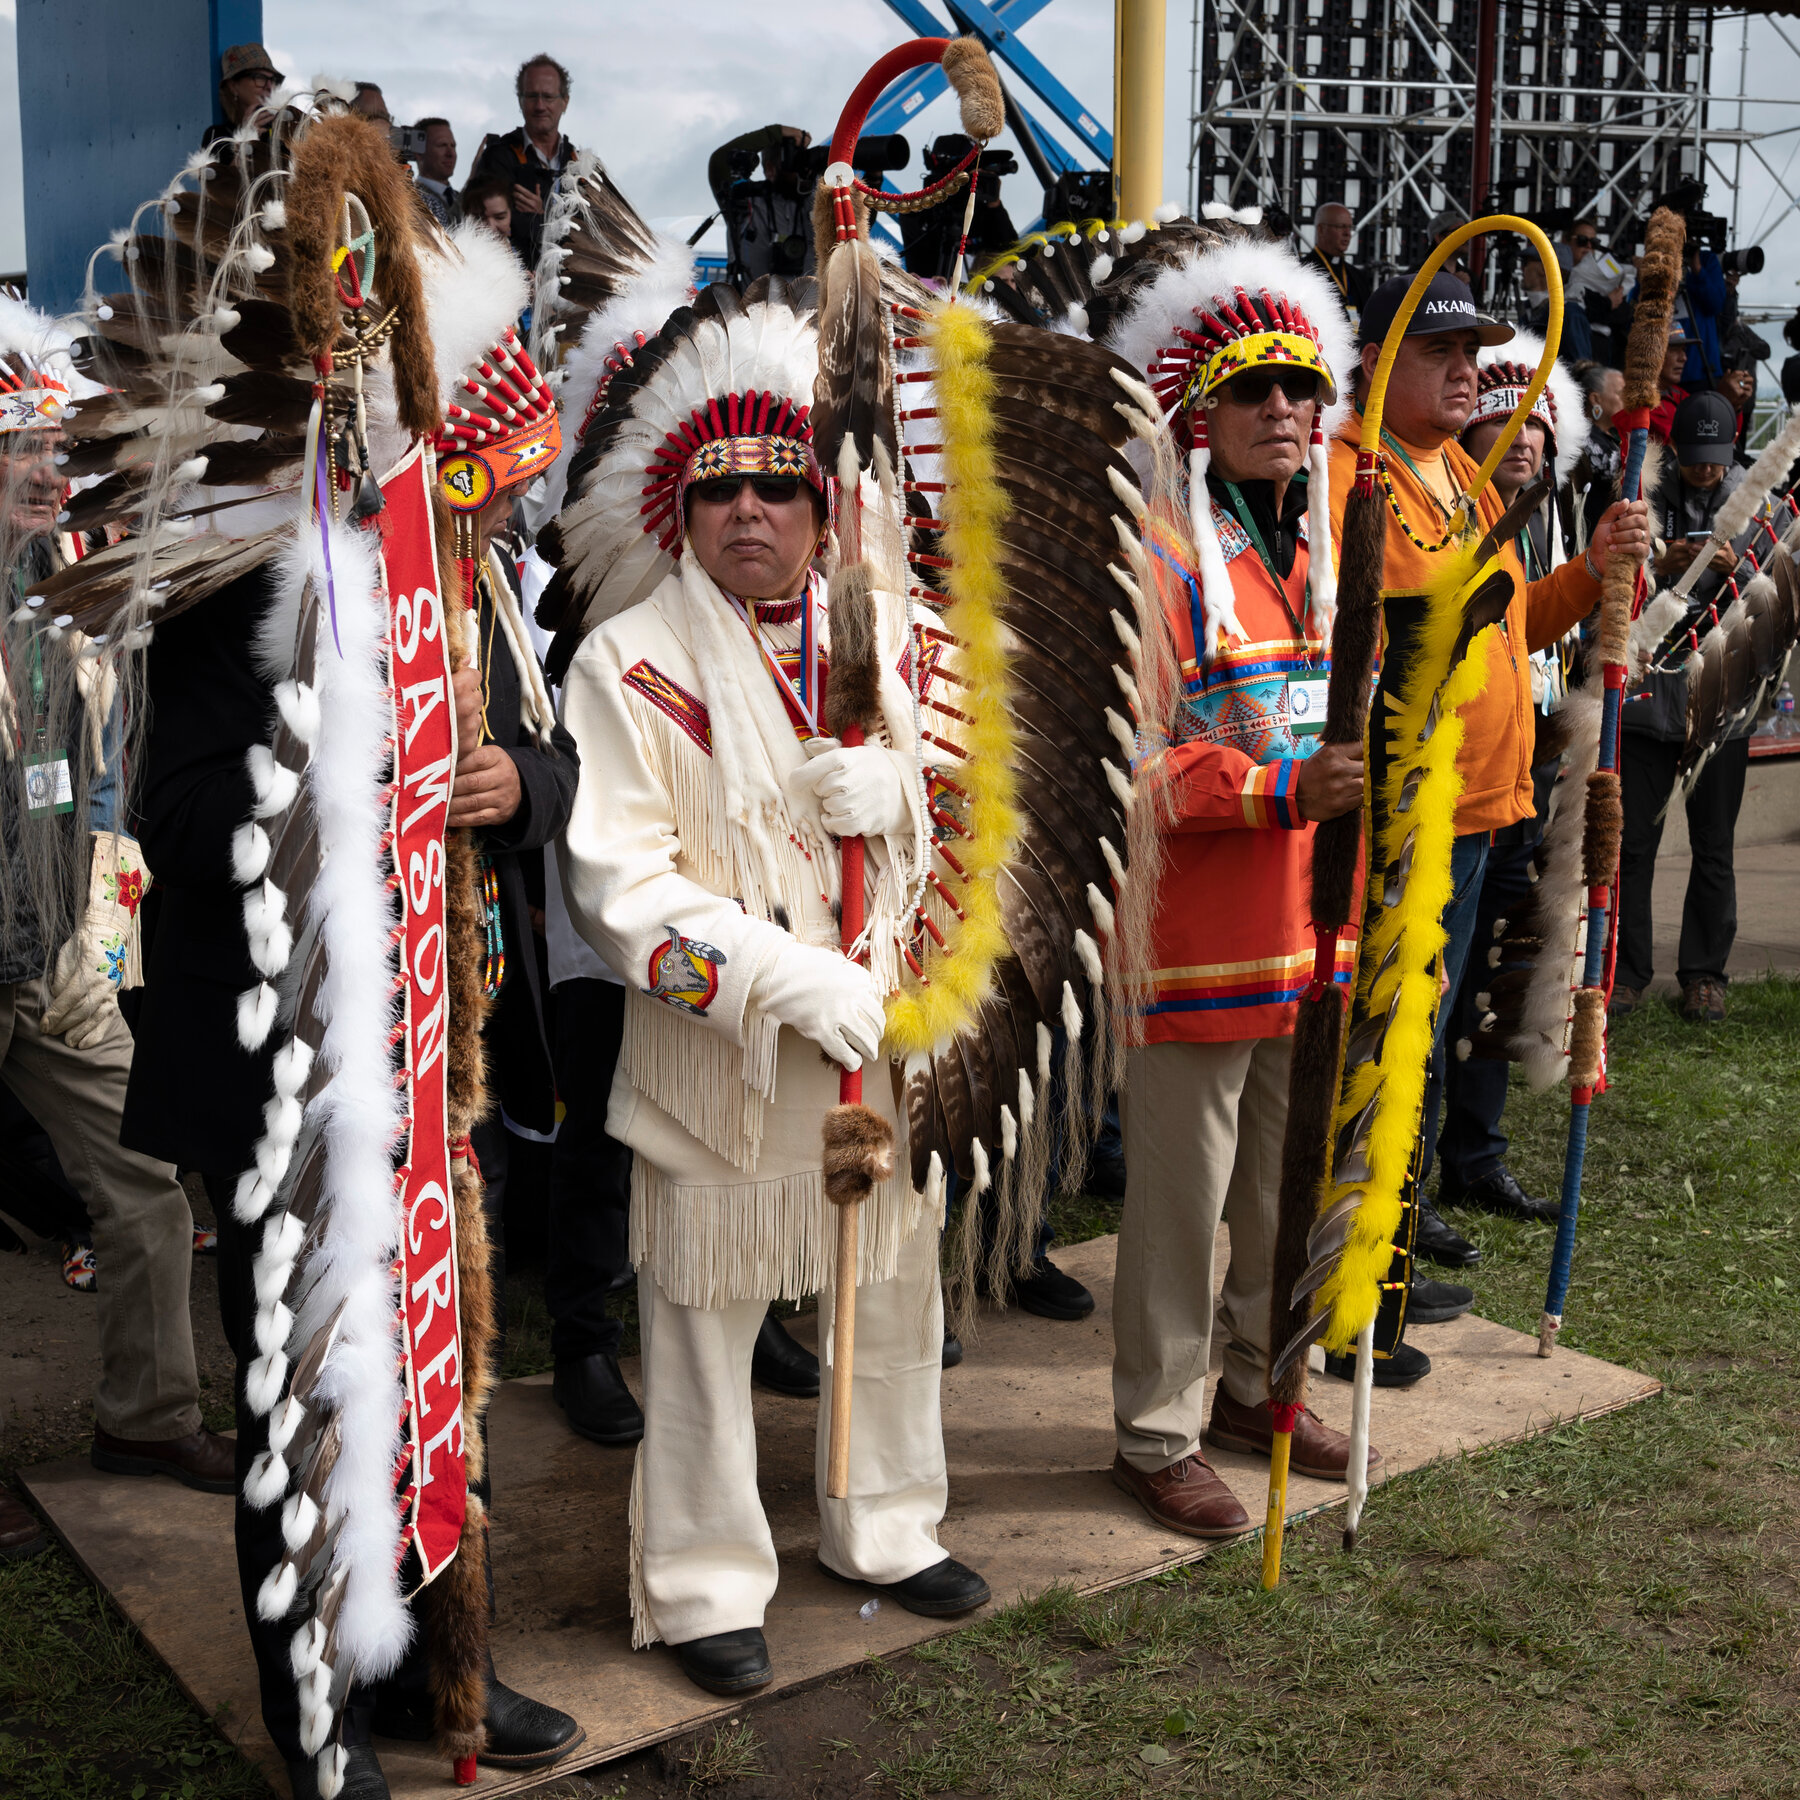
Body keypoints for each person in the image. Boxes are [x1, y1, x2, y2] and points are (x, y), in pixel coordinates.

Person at [102, 120, 581, 1796]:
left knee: (436, 1366)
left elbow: (540, 745)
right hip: (284, 1048)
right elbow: (179, 798)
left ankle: (441, 1669)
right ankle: (317, 1710)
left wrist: (519, 784)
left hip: (439, 1037)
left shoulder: (462, 573)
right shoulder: (232, 566)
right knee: (301, 1380)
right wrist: (341, 783)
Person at [555, 279, 989, 1701]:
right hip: (721, 1071)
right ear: (680, 513)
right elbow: (618, 896)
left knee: (894, 1290)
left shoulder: (901, 641)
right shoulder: (629, 663)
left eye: (781, 488)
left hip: (883, 1049)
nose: (754, 513)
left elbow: (982, 823)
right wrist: (775, 972)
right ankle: (701, 1582)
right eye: (722, 490)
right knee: (701, 1325)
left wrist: (907, 803)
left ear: (822, 506)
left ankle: (884, 1526)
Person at [1100, 230, 1377, 1539]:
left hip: (1308, 937)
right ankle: (1155, 1428)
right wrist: (1271, 792)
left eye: (1301, 389)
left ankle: (1265, 1383)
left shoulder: (1324, 555)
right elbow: (1122, 772)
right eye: (1253, 392)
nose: (1282, 410)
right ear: (1199, 417)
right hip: (1196, 940)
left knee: (1281, 1180)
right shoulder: (1157, 562)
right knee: (1179, 1198)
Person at [1326, 273, 1651, 1382]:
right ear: (1377, 362)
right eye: (1444, 350)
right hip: (1401, 818)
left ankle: (1392, 1263)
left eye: (1478, 352)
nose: (1470, 370)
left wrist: (1591, 568)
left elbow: (1514, 620)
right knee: (1372, 1054)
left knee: (1415, 1050)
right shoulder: (1347, 478)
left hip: (1481, 813)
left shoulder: (1458, 470)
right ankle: (1341, 1293)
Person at [0, 301, 235, 1499]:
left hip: (48, 964)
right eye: (21, 451)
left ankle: (146, 1419)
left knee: (146, 1192)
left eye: (56, 449)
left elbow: (107, 777)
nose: (48, 473)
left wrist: (102, 929)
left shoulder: (77, 593)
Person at [1424, 342, 1591, 1258]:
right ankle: (1409, 1183)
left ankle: (1476, 1155)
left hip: (1528, 770)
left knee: (1507, 969)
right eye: (1504, 419)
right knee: (1439, 983)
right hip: (1456, 781)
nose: (1523, 438)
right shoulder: (1454, 505)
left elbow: (1535, 624)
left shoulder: (1541, 514)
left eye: (1537, 424)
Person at [1614, 390, 1756, 1025]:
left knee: (1714, 844)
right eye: (1694, 458)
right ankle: (1624, 972)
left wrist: (1737, 578)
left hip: (1721, 699)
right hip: (1649, 697)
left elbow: (1777, 605)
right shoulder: (1641, 501)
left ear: (1731, 451)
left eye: (1715, 459)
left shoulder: (1759, 508)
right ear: (1677, 450)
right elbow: (1611, 590)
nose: (1705, 470)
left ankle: (1704, 974)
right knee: (1633, 843)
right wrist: (1659, 568)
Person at [468, 54, 578, 267]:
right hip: (514, 282)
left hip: (568, 286)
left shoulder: (580, 165)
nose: (539, 106)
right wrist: (556, 219)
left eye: (548, 97)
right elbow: (487, 224)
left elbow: (593, 235)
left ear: (565, 102)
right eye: (531, 96)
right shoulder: (498, 157)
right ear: (520, 100)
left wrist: (543, 213)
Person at [1305, 201, 1373, 321]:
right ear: (1321, 229)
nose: (1347, 233)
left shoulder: (1357, 276)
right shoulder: (1305, 271)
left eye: (1350, 227)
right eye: (1341, 227)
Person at [203, 42, 281, 145]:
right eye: (260, 78)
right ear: (233, 86)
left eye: (273, 80)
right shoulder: (217, 136)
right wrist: (248, 136)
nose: (269, 87)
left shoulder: (281, 133)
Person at [1647, 320, 1691, 445]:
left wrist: (1734, 407)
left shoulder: (1681, 396)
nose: (1683, 358)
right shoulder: (1639, 402)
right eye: (1674, 350)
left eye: (1683, 350)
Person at [415, 118, 461, 228]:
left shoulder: (459, 197)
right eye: (442, 145)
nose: (450, 153)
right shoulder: (413, 198)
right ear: (419, 153)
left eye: (453, 146)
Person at [463, 179, 515, 251]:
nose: (491, 227)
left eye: (500, 217)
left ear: (510, 214)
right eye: (480, 219)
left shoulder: (531, 252)